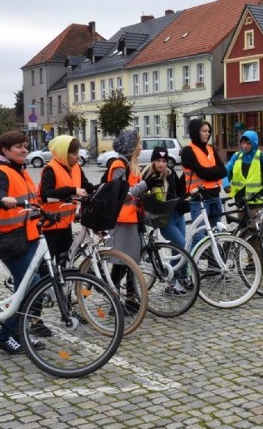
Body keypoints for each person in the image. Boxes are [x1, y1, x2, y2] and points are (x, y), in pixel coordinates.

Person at [0, 130, 47, 354]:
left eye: (25, 146)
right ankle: (4, 337)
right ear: (5, 150)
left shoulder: (20, 171)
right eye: (19, 147)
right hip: (11, 239)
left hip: (28, 237)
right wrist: (3, 199)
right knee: (31, 285)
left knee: (35, 284)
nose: (24, 150)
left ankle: (19, 332)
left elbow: (34, 200)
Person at [105, 130, 157, 312]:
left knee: (131, 261)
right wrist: (144, 185)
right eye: (138, 144)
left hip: (132, 218)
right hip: (121, 220)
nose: (141, 148)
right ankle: (114, 300)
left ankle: (130, 298)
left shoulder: (131, 164)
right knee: (121, 262)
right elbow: (120, 194)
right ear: (130, 148)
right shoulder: (119, 165)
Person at [38, 135, 93, 259]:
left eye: (78, 152)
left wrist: (103, 188)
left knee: (65, 260)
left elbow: (87, 186)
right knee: (50, 263)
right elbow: (46, 194)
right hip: (50, 224)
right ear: (63, 154)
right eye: (74, 153)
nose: (78, 156)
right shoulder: (51, 169)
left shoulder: (75, 167)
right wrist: (73, 190)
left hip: (65, 222)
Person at [181, 119, 227, 245]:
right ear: (196, 132)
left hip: (215, 196)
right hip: (199, 199)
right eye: (204, 131)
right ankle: (192, 263)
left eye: (208, 131)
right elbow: (202, 173)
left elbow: (223, 171)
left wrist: (211, 172)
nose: (208, 134)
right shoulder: (188, 151)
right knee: (199, 236)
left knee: (215, 235)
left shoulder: (210, 148)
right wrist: (214, 171)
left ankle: (212, 264)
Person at [224, 130, 263, 219]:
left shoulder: (261, 157)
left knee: (255, 229)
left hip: (256, 200)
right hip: (240, 199)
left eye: (248, 143)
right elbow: (225, 173)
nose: (245, 146)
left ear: (254, 144)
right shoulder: (236, 156)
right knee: (243, 228)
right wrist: (226, 184)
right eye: (243, 142)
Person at [141, 146, 189, 249]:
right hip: (164, 219)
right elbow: (145, 197)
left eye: (164, 161)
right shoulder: (147, 176)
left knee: (178, 251)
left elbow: (179, 192)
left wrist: (184, 201)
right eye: (158, 160)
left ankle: (180, 266)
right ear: (153, 161)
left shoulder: (171, 173)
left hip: (178, 214)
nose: (161, 164)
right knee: (182, 245)